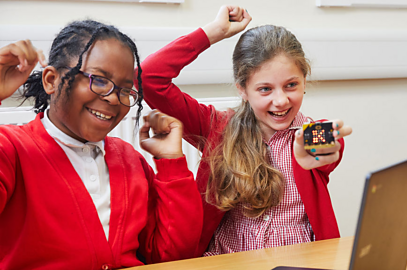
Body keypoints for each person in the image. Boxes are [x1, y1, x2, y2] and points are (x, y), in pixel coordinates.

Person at [138, 6, 353, 257]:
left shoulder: (310, 135)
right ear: (243, 89)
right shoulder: (216, 128)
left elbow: (327, 150)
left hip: (300, 260)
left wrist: (330, 148)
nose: (281, 100)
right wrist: (214, 32)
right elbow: (149, 78)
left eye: (291, 85)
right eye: (265, 89)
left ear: (304, 81)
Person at [0, 20, 202, 270]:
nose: (113, 98)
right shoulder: (10, 148)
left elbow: (174, 256)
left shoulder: (130, 160)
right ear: (51, 80)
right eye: (99, 79)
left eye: (126, 90)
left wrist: (172, 164)